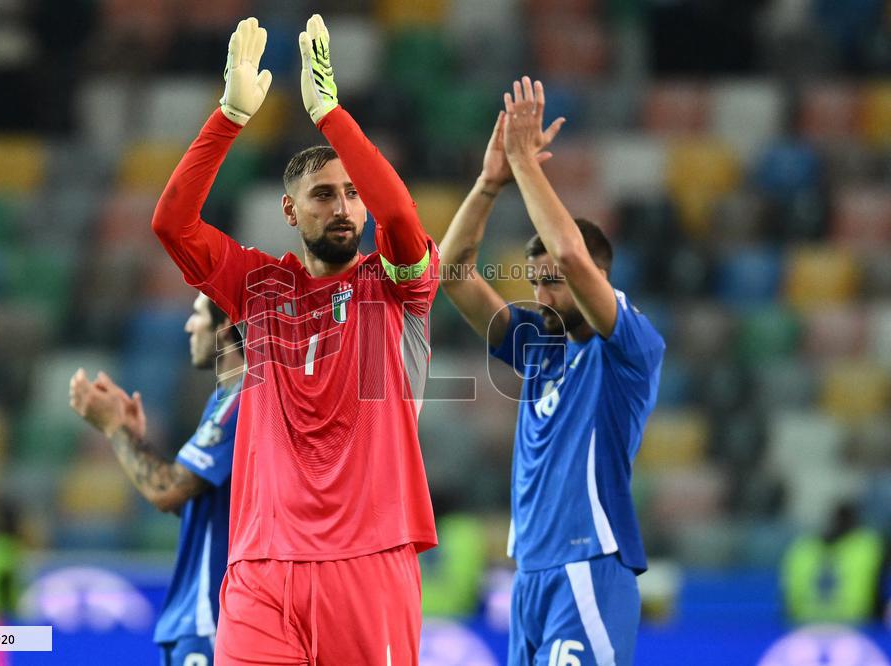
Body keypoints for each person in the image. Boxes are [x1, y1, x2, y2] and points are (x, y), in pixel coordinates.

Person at [150, 15, 439, 666]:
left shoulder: (393, 285)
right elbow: (171, 223)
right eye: (322, 196)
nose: (343, 207)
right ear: (289, 211)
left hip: (368, 560)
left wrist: (331, 113)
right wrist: (228, 115)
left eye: (350, 195)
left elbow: (399, 215)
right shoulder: (258, 286)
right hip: (261, 566)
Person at [439, 77, 665, 666]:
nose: (540, 291)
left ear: (596, 277)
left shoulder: (629, 349)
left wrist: (523, 163)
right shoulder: (540, 348)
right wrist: (490, 183)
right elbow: (451, 274)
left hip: (590, 564)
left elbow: (570, 253)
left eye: (552, 281)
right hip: (531, 573)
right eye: (533, 279)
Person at [69, 292, 243, 666]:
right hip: (198, 621)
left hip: (210, 616)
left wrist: (115, 427)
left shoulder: (243, 401)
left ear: (225, 326)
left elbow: (167, 491)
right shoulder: (222, 401)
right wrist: (134, 438)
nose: (189, 325)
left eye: (197, 314)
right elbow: (201, 503)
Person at [781, 501, 886, 625]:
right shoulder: (868, 546)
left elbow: (788, 603)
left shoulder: (801, 548)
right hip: (857, 626)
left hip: (804, 625)